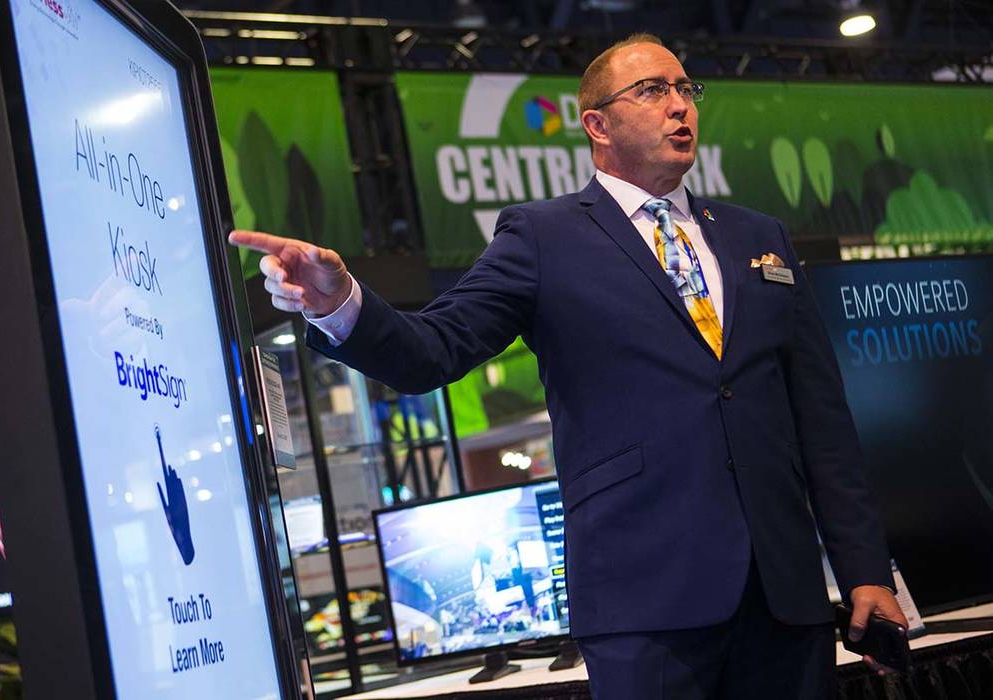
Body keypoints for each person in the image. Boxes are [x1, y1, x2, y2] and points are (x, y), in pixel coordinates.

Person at [230, 33, 907, 699]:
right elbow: (432, 350)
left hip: (786, 602)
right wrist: (340, 304)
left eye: (685, 89)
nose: (680, 106)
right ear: (597, 125)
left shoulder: (760, 236)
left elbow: (822, 421)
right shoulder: (542, 236)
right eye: (652, 90)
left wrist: (866, 571)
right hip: (645, 608)